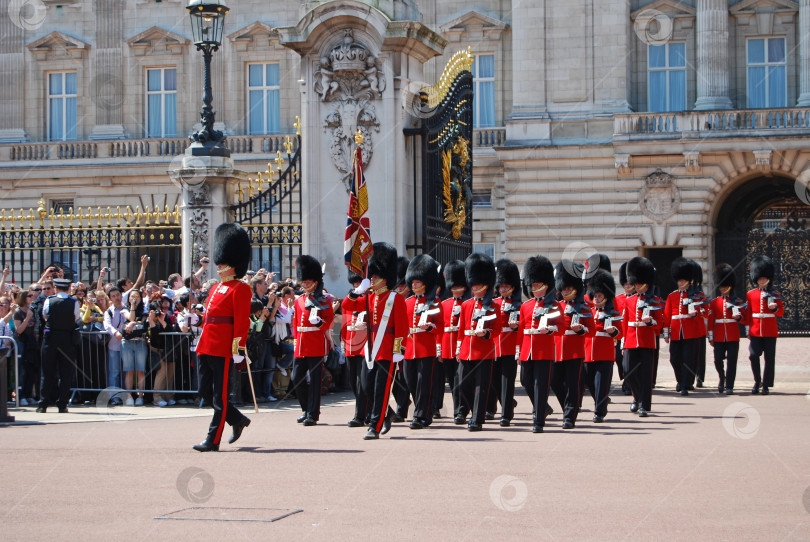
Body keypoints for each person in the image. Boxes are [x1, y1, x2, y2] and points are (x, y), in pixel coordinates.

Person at [192, 223, 253, 452]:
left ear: (234, 264)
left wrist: (238, 351)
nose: (219, 266)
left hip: (224, 347)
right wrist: (195, 321)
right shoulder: (216, 287)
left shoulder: (241, 289)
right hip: (206, 343)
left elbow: (241, 323)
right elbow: (210, 317)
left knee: (220, 397)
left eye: (223, 263)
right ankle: (237, 420)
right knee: (204, 392)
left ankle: (212, 439)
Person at [343, 242, 408, 440]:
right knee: (366, 386)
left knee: (381, 390)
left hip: (387, 350)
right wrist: (357, 291)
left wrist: (399, 349)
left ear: (384, 277)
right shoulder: (369, 298)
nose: (371, 279)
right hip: (370, 350)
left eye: (375, 276)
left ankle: (374, 426)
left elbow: (402, 327)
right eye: (371, 276)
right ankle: (386, 414)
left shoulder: (394, 298)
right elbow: (347, 306)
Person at [456, 253, 501, 432]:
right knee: (463, 383)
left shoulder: (494, 306)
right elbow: (461, 329)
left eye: (478, 285)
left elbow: (497, 329)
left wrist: (486, 333)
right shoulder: (466, 305)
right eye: (473, 285)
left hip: (484, 350)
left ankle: (477, 419)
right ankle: (465, 411)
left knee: (481, 387)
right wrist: (459, 348)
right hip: (467, 349)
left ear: (486, 285)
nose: (474, 288)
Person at [289, 255, 334, 426]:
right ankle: (306, 408)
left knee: (315, 381)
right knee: (296, 378)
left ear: (315, 282)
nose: (305, 284)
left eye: (308, 282)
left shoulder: (323, 299)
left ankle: (313, 415)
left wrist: (320, 323)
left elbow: (329, 320)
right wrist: (295, 341)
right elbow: (295, 322)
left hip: (316, 342)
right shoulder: (299, 300)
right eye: (304, 282)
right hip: (301, 343)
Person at [550, 260, 593, 429]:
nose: (566, 291)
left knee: (573, 384)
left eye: (569, 289)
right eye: (564, 289)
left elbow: (592, 330)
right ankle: (568, 408)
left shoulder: (584, 307)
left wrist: (581, 330)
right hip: (556, 349)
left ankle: (569, 416)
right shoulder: (555, 306)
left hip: (575, 350)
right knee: (555, 381)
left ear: (576, 289)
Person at [402, 254, 443, 429]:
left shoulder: (435, 303)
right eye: (412, 282)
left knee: (423, 384)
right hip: (409, 348)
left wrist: (430, 328)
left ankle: (421, 416)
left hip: (426, 348)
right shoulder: (407, 302)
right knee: (410, 381)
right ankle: (424, 411)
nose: (413, 285)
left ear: (425, 283)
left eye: (417, 282)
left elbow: (440, 327)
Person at [517, 256, 558, 433]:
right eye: (532, 286)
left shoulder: (554, 305)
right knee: (526, 381)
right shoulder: (526, 306)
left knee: (541, 386)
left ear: (546, 285)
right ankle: (544, 408)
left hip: (544, 350)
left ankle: (539, 420)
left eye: (536, 285)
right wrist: (519, 351)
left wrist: (549, 330)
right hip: (527, 350)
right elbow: (520, 331)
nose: (534, 288)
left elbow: (561, 327)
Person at [620, 257, 663, 417]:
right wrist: (623, 342)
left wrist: (651, 321)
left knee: (646, 375)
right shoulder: (629, 301)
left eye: (639, 284)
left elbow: (660, 323)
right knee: (628, 371)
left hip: (647, 341)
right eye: (635, 284)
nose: (636, 286)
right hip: (631, 340)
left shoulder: (655, 300)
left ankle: (644, 405)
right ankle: (637, 398)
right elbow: (625, 322)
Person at [36, 278, 81, 413]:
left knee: (47, 372)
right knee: (66, 373)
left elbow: (45, 317)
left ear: (56, 288)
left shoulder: (49, 301)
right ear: (68, 289)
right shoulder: (74, 302)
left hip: (50, 338)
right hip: (67, 338)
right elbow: (75, 318)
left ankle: (43, 404)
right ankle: (62, 404)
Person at [584, 269, 622, 422]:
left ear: (606, 297)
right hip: (588, 352)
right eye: (596, 295)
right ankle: (601, 403)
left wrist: (613, 332)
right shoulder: (588, 312)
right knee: (589, 382)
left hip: (605, 353)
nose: (597, 298)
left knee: (601, 384)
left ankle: (599, 412)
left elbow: (621, 333)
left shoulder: (613, 313)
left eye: (600, 295)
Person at [744, 255, 784, 395]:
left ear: (768, 278)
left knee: (769, 358)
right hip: (755, 330)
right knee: (753, 355)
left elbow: (781, 313)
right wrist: (747, 329)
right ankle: (757, 381)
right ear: (756, 279)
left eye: (764, 278)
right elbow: (748, 313)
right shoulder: (751, 294)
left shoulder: (775, 293)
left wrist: (775, 309)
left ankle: (766, 385)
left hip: (770, 330)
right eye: (760, 278)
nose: (762, 280)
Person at [663, 258, 703, 396]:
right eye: (679, 280)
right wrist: (666, 333)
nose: (680, 283)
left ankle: (685, 384)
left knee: (688, 359)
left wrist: (696, 314)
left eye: (682, 280)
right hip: (675, 332)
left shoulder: (697, 296)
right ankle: (680, 380)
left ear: (688, 280)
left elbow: (705, 312)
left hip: (690, 332)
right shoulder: (672, 296)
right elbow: (667, 316)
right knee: (674, 359)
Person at [707, 263, 746, 395]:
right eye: (721, 286)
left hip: (732, 334)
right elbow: (711, 321)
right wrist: (710, 337)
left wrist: (739, 317)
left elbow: (745, 319)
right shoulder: (714, 302)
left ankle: (729, 385)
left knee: (732, 361)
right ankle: (722, 378)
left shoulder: (738, 301)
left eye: (725, 286)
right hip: (718, 335)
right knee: (717, 360)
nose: (723, 288)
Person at [493, 258, 521, 427]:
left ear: (512, 287)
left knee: (507, 381)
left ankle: (506, 415)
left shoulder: (518, 305)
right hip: (494, 346)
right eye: (501, 286)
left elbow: (524, 327)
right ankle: (508, 404)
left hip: (510, 346)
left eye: (506, 286)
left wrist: (516, 327)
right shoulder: (494, 303)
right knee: (495, 381)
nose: (503, 289)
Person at [441, 261, 467, 424]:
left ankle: (461, 411)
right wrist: (439, 350)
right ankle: (459, 408)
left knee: (461, 380)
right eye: (453, 288)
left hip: (461, 346)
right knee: (451, 381)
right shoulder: (445, 304)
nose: (455, 290)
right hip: (446, 347)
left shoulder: (467, 303)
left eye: (458, 287)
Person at [341, 271, 369, 427]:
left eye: (359, 283)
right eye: (355, 284)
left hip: (364, 343)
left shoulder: (369, 299)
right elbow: (346, 319)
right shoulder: (351, 297)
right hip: (351, 344)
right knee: (353, 381)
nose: (356, 286)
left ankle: (360, 415)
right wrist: (343, 341)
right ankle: (380, 411)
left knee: (362, 382)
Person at [391, 256, 411, 422]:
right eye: (397, 286)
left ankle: (401, 410)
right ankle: (401, 404)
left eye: (402, 286)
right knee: (396, 380)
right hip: (394, 342)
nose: (399, 288)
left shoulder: (410, 300)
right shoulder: (393, 299)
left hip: (409, 343)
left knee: (404, 378)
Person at [121, 289, 149, 406]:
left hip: (140, 342)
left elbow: (143, 325)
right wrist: (132, 307)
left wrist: (132, 324)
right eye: (132, 296)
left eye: (137, 296)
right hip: (128, 343)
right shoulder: (124, 309)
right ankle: (128, 396)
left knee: (140, 370)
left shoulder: (144, 310)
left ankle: (140, 396)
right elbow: (130, 317)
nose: (135, 298)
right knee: (129, 370)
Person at [103, 287, 126, 404]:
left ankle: (125, 396)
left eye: (118, 295)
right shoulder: (109, 311)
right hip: (114, 345)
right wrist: (115, 332)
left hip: (126, 346)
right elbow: (106, 325)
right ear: (110, 299)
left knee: (126, 371)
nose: (116, 298)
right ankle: (115, 397)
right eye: (113, 296)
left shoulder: (127, 308)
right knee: (115, 372)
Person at [614, 262, 634, 396]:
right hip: (619, 334)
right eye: (625, 283)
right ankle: (625, 378)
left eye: (629, 283)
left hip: (630, 334)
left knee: (628, 362)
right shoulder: (617, 299)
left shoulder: (636, 299)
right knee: (618, 359)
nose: (627, 286)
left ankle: (627, 383)